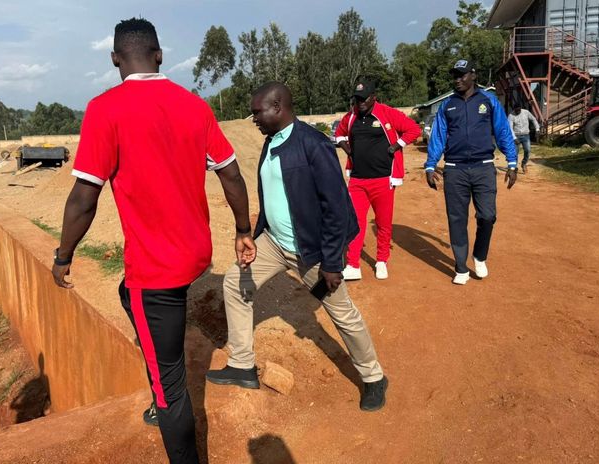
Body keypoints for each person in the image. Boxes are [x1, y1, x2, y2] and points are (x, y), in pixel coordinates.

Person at [51, 18, 254, 464]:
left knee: (171, 386)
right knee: (128, 294)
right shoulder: (194, 105)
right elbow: (232, 174)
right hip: (195, 255)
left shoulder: (105, 108)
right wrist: (242, 229)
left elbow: (85, 198)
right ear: (160, 56)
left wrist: (63, 255)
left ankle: (169, 412)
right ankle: (159, 357)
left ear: (115, 61)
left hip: (156, 273)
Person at [205, 82, 388, 412]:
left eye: (257, 111)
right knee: (234, 283)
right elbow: (272, 196)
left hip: (313, 252)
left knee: (343, 315)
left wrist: (333, 263)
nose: (253, 118)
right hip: (275, 243)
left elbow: (336, 208)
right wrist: (253, 235)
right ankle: (243, 364)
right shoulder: (270, 142)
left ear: (277, 108)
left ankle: (374, 377)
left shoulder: (314, 146)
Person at [425, 59, 518, 285]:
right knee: (456, 219)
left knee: (488, 216)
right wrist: (430, 164)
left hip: (483, 167)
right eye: (455, 76)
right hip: (454, 170)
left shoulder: (489, 101)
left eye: (462, 75)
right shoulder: (448, 105)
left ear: (473, 76)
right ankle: (461, 267)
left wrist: (512, 161)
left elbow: (503, 131)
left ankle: (479, 255)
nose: (457, 80)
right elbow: (438, 135)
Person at [335, 79, 421, 281]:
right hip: (357, 180)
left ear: (374, 97)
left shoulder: (387, 113)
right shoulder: (351, 117)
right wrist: (348, 150)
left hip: (383, 179)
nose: (360, 103)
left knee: (383, 222)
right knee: (355, 222)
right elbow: (338, 135)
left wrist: (396, 146)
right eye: (357, 99)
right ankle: (353, 264)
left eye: (364, 99)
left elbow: (413, 130)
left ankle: (381, 260)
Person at [508, 105, 540, 173]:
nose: (518, 112)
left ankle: (524, 164)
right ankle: (514, 167)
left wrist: (537, 129)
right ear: (514, 110)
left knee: (527, 150)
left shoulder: (526, 112)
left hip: (526, 135)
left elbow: (533, 119)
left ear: (521, 108)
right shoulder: (511, 116)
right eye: (516, 111)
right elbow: (510, 128)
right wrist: (514, 138)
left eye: (519, 110)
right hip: (516, 136)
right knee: (515, 153)